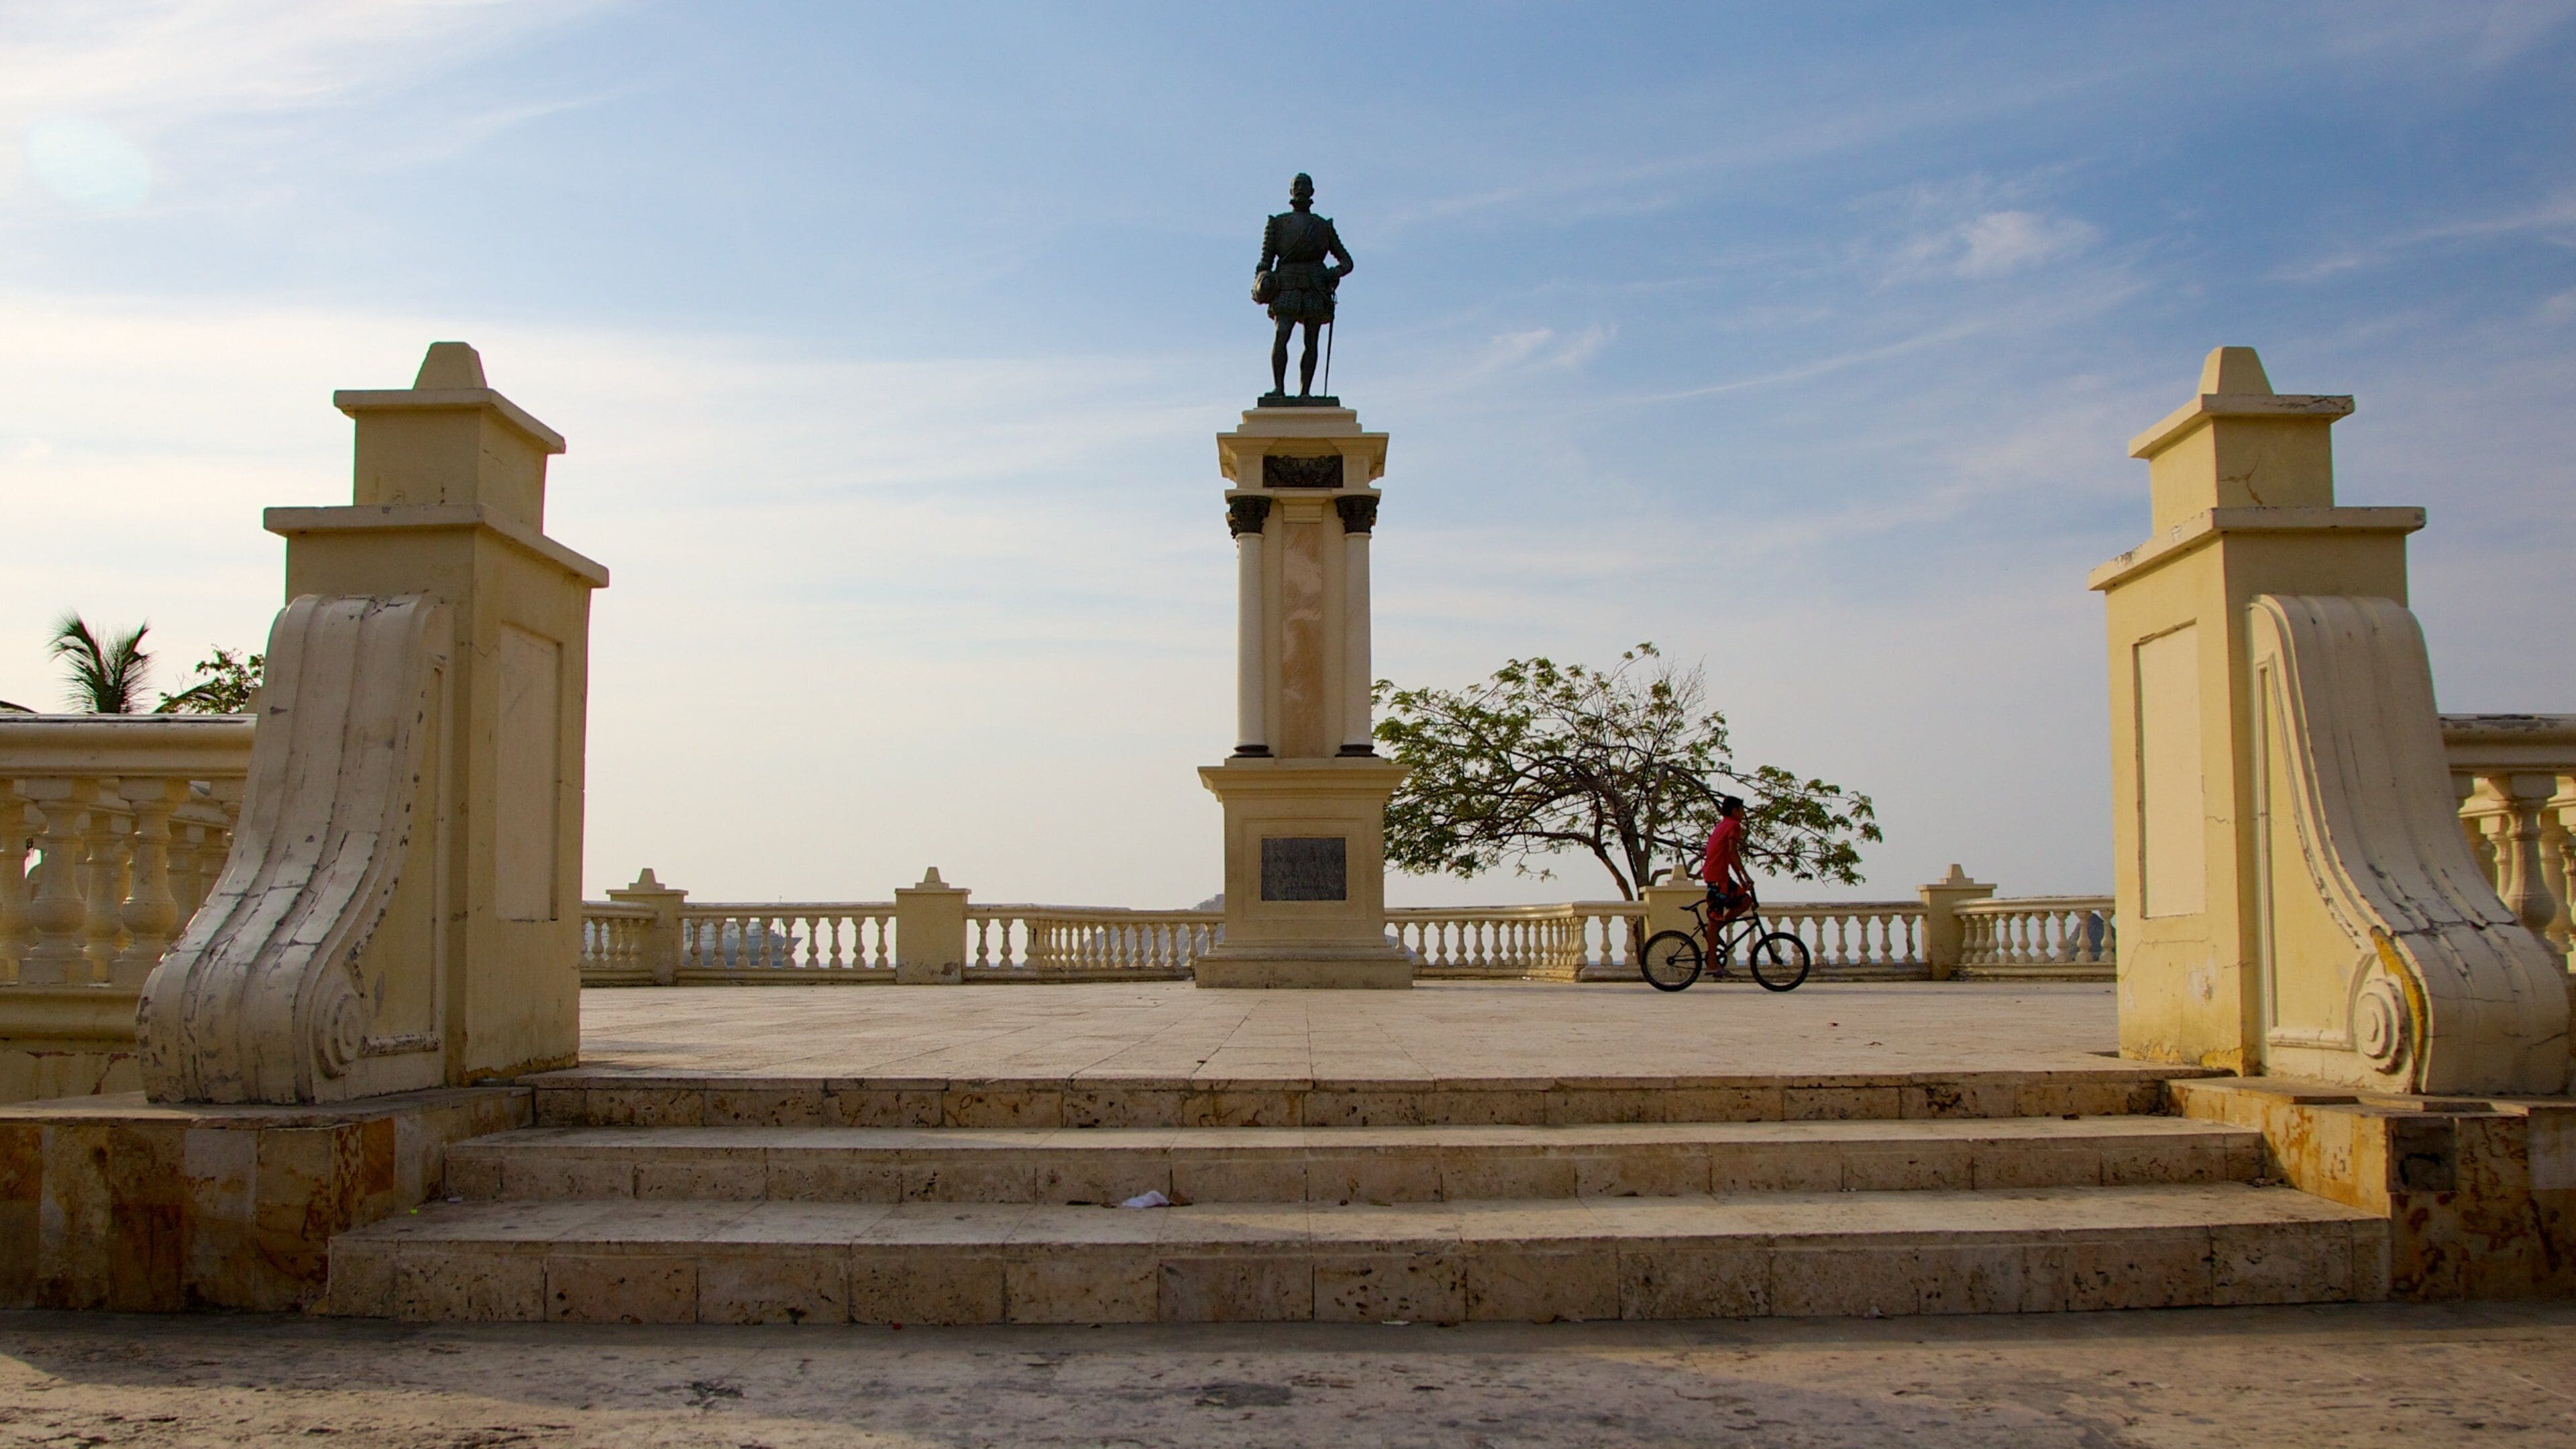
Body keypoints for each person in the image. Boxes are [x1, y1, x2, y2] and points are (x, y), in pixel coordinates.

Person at [1255, 173, 1354, 399]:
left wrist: (1334, 273)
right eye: (1296, 185)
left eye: (1304, 185)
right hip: (1287, 281)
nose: (1300, 188)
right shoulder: (1277, 224)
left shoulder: (1322, 226)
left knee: (1311, 340)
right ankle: (1279, 389)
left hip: (1315, 283)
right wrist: (1263, 279)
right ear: (1291, 191)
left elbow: (1346, 261)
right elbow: (1265, 261)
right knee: (1282, 334)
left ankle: (1305, 393)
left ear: (1312, 191)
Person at [1700, 796, 1754, 923]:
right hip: (1719, 877)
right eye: (1742, 810)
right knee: (1716, 919)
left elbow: (1729, 857)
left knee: (1719, 915)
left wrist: (1740, 878)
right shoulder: (1734, 826)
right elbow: (1733, 852)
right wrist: (1746, 876)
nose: (1743, 814)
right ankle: (1719, 927)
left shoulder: (1722, 826)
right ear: (1735, 811)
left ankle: (1720, 925)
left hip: (1715, 874)